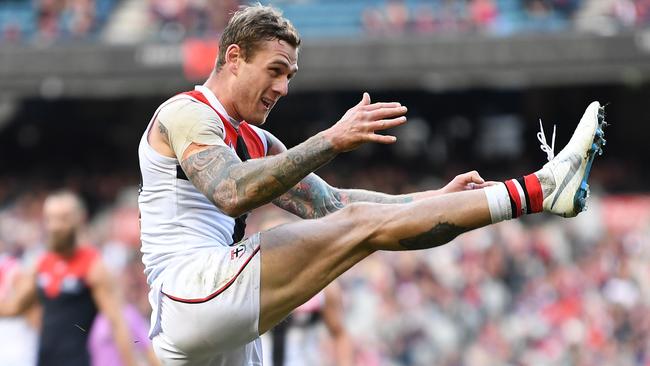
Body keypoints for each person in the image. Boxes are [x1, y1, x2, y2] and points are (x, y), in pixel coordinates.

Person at [138, 4, 607, 365]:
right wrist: (330, 140)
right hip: (190, 290)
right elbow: (230, 191)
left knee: (361, 221)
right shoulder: (188, 114)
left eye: (290, 76)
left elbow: (335, 206)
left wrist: (428, 201)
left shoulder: (258, 140)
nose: (282, 88)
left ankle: (535, 192)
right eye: (275, 70)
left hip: (206, 323)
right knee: (363, 225)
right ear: (234, 58)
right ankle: (540, 189)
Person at [0, 191, 139, 366]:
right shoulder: (41, 263)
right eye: (50, 218)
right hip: (43, 361)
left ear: (80, 219)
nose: (55, 226)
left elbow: (117, 323)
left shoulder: (93, 266)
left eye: (62, 218)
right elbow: (14, 307)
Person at [255, 209, 353, 366]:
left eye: (282, 240)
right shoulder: (248, 286)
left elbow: (340, 334)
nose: (276, 249)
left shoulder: (322, 285)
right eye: (269, 241)